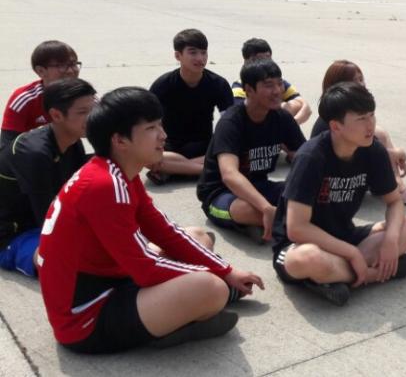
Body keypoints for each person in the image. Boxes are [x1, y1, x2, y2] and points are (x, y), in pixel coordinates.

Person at [38, 87, 263, 354]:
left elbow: (164, 230)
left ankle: (181, 312)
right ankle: (171, 325)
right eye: (151, 128)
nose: (163, 135)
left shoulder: (116, 171)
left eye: (160, 125)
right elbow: (145, 267)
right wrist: (218, 277)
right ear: (120, 140)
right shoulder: (105, 186)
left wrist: (226, 269)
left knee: (198, 236)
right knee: (212, 289)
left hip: (112, 279)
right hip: (86, 320)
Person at [272, 82, 406, 306]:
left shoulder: (373, 150)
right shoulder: (311, 157)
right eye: (361, 119)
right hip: (301, 245)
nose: (370, 125)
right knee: (306, 259)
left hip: (344, 235)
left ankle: (337, 277)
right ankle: (371, 273)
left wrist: (391, 241)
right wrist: (352, 254)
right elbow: (297, 229)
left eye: (371, 115)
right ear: (336, 126)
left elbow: (394, 202)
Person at [197, 59, 306, 243]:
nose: (277, 91)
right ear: (248, 89)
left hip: (261, 186)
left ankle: (264, 225)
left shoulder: (282, 118)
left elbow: (304, 156)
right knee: (251, 211)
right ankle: (266, 222)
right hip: (221, 194)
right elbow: (229, 175)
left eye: (280, 84)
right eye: (269, 85)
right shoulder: (231, 122)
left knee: (311, 198)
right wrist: (265, 207)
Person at [0, 79, 95, 278]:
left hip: (41, 222)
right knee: (70, 262)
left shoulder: (71, 141)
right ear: (56, 115)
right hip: (12, 235)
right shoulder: (34, 153)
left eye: (94, 109)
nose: (94, 116)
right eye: (83, 112)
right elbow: (49, 222)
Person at [312, 60, 406, 207]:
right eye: (355, 80)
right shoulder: (332, 123)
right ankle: (397, 185)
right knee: (382, 146)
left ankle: (393, 184)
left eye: (361, 79)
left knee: (381, 133)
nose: (362, 84)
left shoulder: (344, 113)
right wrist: (395, 153)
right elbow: (363, 152)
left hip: (354, 173)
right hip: (338, 183)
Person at [148, 29, 234, 184]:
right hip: (170, 146)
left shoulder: (218, 84)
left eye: (203, 53)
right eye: (193, 52)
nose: (200, 58)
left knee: (235, 151)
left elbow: (230, 122)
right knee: (149, 159)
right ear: (178, 56)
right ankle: (206, 170)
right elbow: (147, 122)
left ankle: (172, 170)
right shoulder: (162, 85)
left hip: (204, 146)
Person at [1, 40, 82, 149]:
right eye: (62, 65)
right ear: (40, 71)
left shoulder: (85, 97)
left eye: (73, 64)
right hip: (30, 154)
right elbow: (7, 147)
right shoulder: (24, 99)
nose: (71, 71)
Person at [231, 38, 312, 125]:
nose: (267, 64)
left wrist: (290, 125)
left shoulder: (279, 83)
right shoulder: (239, 88)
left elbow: (305, 107)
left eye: (268, 59)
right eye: (260, 60)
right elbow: (247, 116)